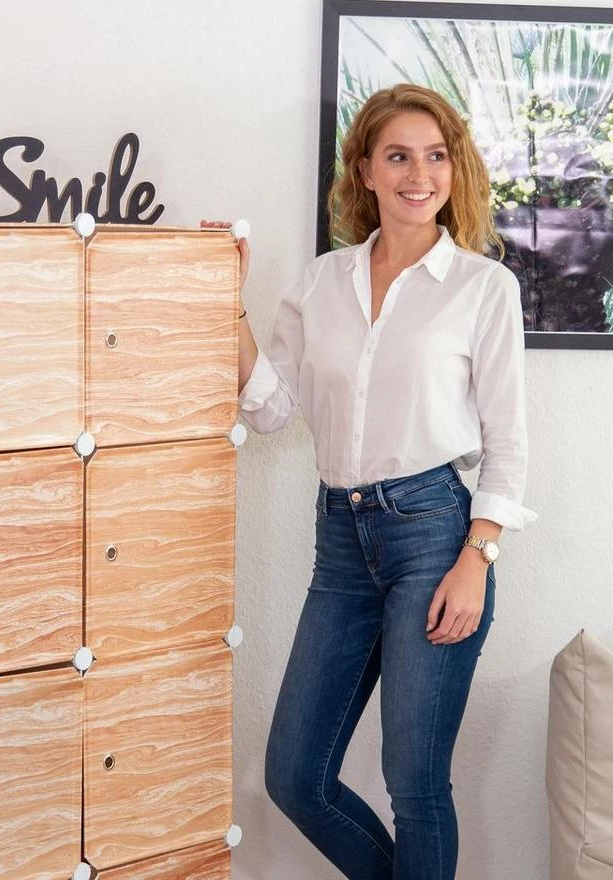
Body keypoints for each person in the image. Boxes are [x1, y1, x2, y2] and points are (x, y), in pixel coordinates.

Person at [227, 83, 536, 880]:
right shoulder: (320, 283)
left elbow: (508, 439)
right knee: (295, 778)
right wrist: (228, 303)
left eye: (436, 157)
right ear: (365, 170)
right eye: (398, 156)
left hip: (436, 535)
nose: (418, 175)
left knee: (415, 784)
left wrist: (477, 559)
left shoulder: (482, 287)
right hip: (340, 542)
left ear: (455, 171)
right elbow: (271, 410)